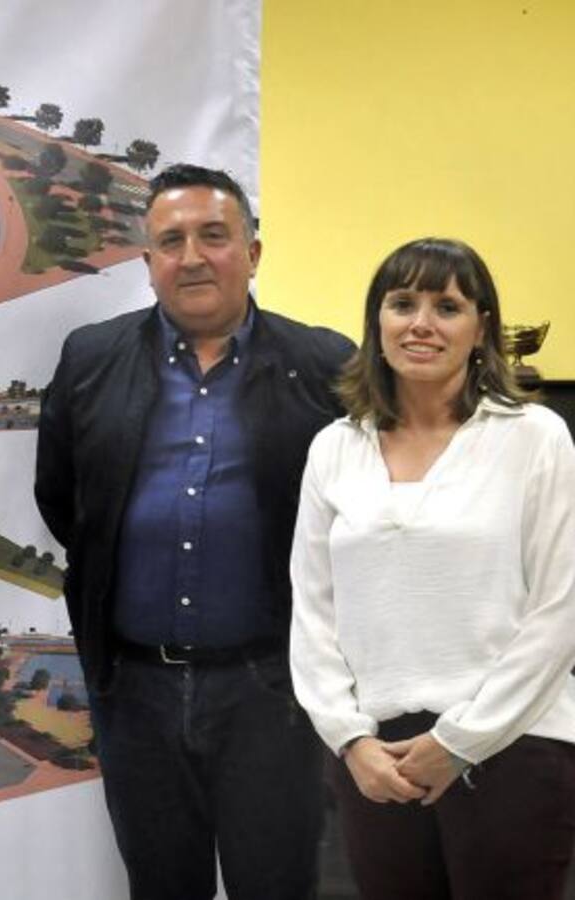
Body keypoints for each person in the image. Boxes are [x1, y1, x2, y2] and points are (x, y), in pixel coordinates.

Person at [35, 163, 354, 900]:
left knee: (276, 886)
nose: (193, 257)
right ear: (148, 262)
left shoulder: (325, 365)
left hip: (272, 693)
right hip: (134, 694)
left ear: (253, 252)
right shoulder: (90, 358)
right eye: (171, 241)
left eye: (214, 236)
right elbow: (63, 501)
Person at [289, 238, 575, 899]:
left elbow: (558, 611)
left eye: (447, 307)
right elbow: (313, 612)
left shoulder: (535, 438)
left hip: (514, 742)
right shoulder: (334, 449)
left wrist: (461, 741)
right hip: (376, 760)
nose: (421, 323)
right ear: (377, 322)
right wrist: (349, 739)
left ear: (482, 329)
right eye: (402, 304)